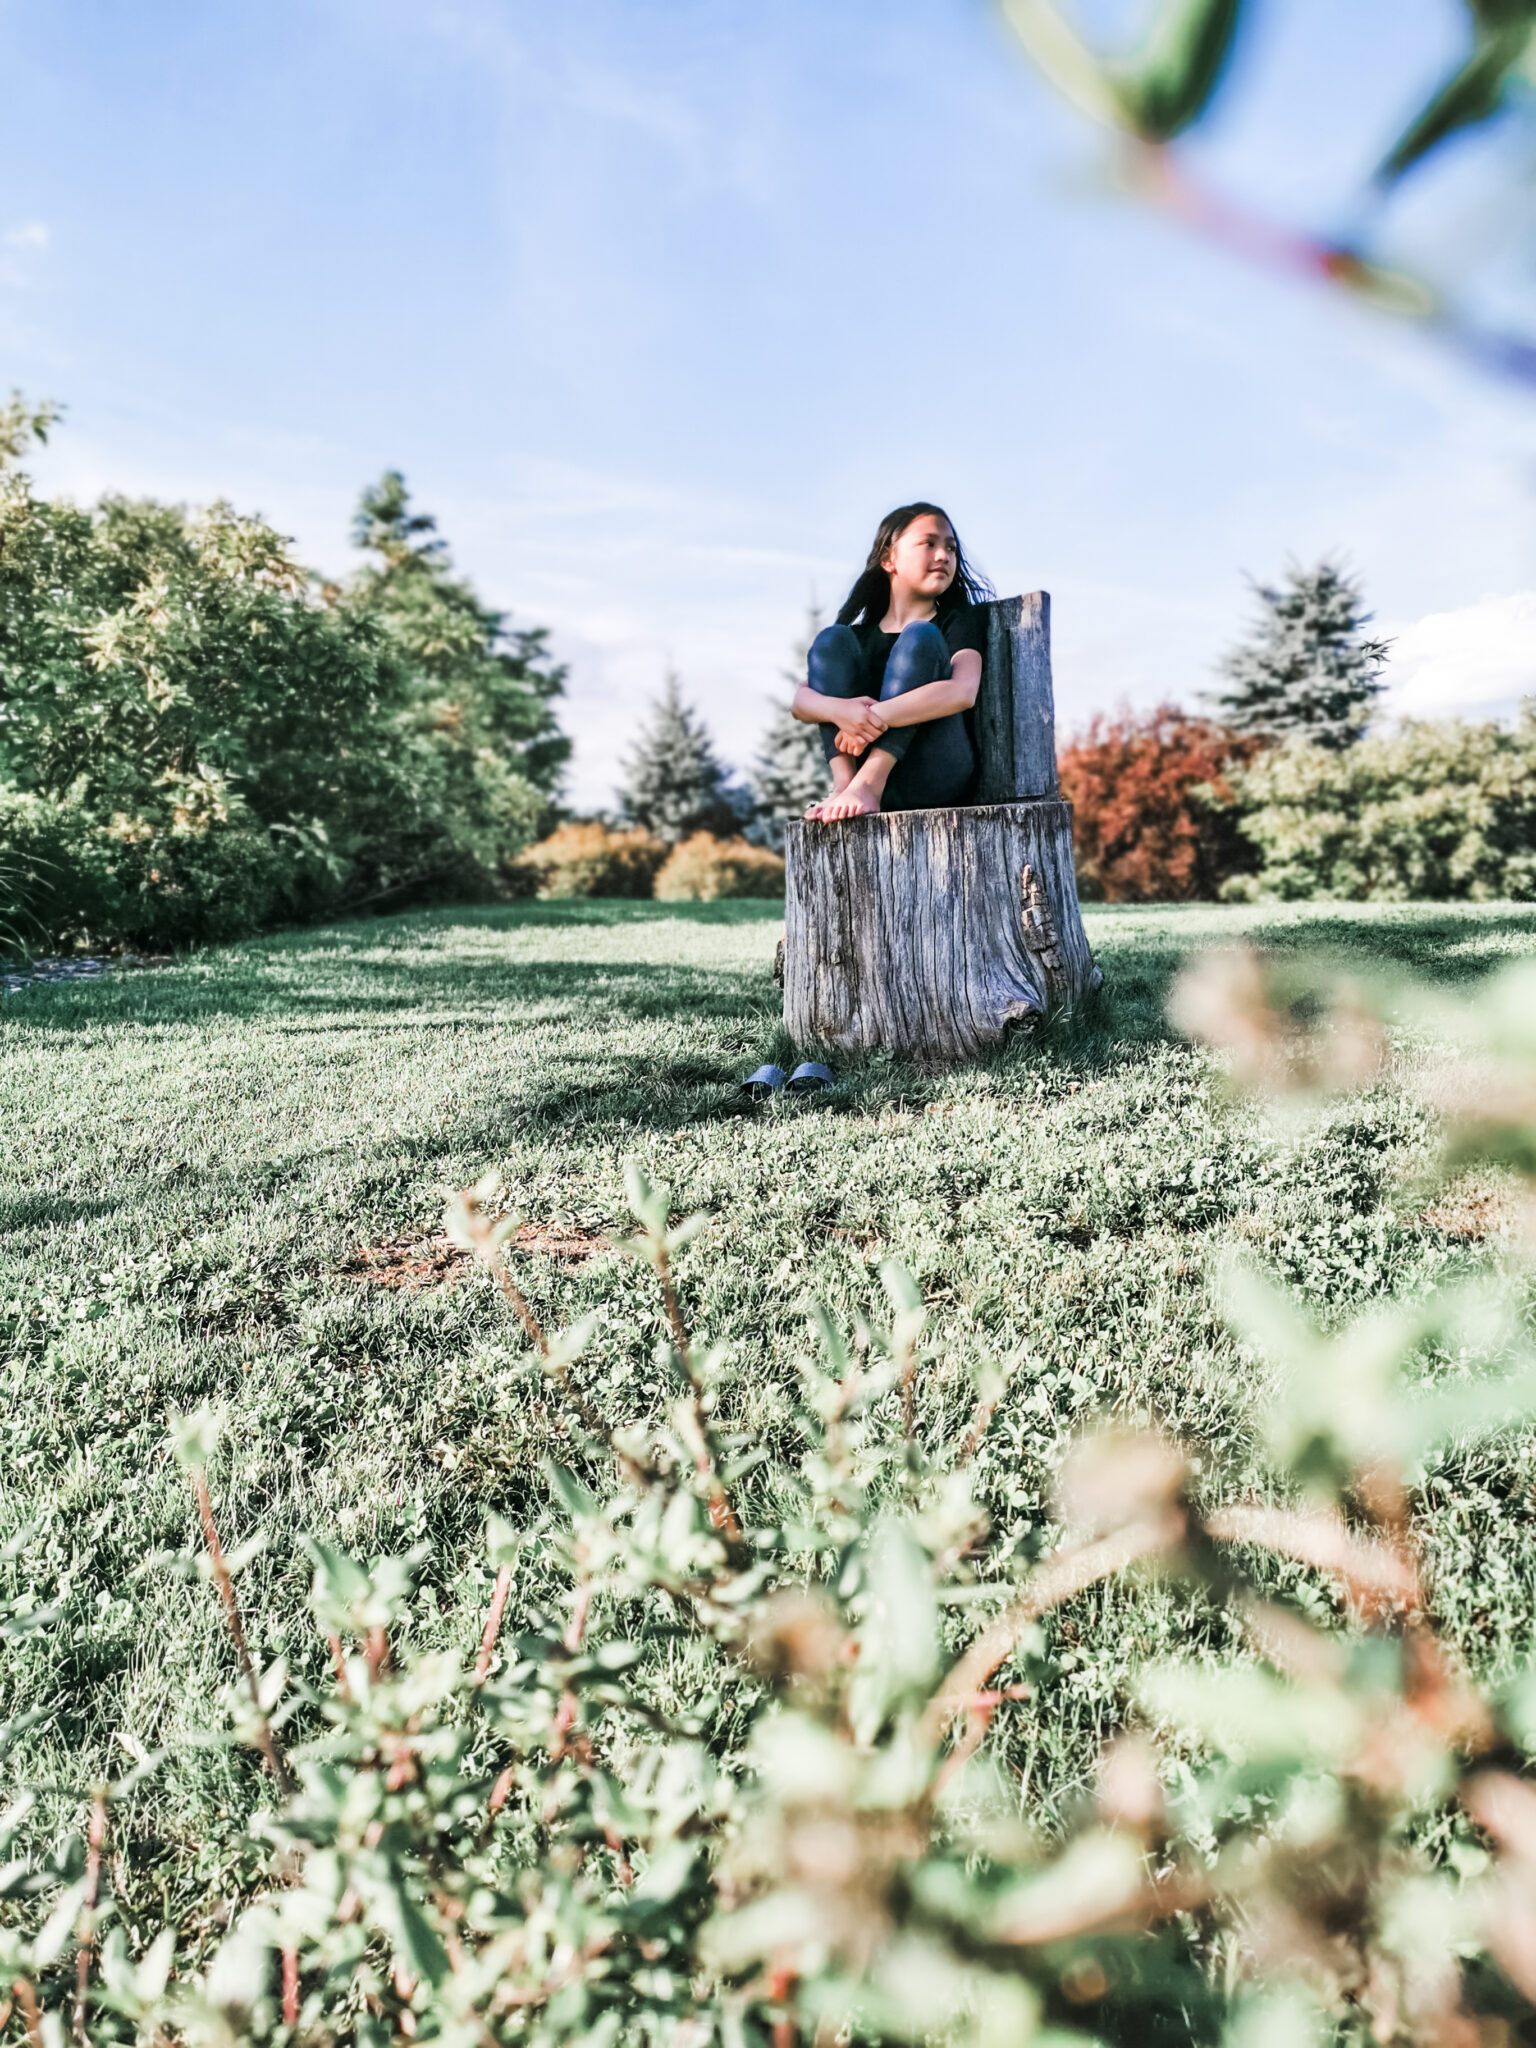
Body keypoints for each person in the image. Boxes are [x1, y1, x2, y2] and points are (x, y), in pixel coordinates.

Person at [792, 502, 993, 820]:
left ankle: (870, 783)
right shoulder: (858, 638)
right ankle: (845, 784)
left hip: (934, 775)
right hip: (858, 780)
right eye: (929, 543)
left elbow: (962, 692)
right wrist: (844, 711)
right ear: (889, 558)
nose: (943, 555)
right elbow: (801, 702)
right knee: (831, 640)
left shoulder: (956, 623)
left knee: (920, 638)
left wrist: (874, 717)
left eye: (951, 548)